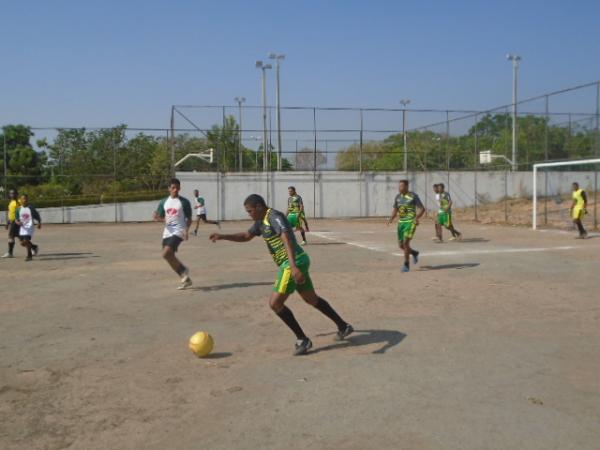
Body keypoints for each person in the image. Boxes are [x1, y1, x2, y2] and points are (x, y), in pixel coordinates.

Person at [209, 194, 353, 356]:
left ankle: (302, 340)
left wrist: (293, 266)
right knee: (311, 299)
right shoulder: (260, 221)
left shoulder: (274, 217)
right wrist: (223, 236)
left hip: (293, 262)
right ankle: (343, 326)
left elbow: (287, 239)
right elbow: (246, 236)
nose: (249, 214)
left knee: (275, 303)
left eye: (250, 211)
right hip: (297, 262)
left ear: (258, 207)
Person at [153, 178, 193, 289]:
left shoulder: (184, 202)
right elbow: (160, 217)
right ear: (169, 189)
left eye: (177, 187)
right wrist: (157, 218)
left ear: (180, 188)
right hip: (167, 232)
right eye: (173, 187)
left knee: (166, 253)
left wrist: (186, 230)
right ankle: (184, 277)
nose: (175, 190)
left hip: (179, 231)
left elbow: (189, 218)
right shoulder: (163, 202)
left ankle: (184, 270)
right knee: (168, 256)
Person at [387, 180, 425, 273]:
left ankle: (406, 265)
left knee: (405, 243)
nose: (400, 188)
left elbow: (422, 209)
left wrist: (417, 218)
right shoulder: (398, 197)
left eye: (402, 186)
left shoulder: (413, 196)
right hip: (401, 223)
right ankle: (414, 253)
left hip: (410, 222)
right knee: (401, 245)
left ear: (407, 186)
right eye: (399, 186)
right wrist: (391, 218)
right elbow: (395, 209)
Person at [14, 194, 41, 262]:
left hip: (30, 226)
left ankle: (29, 256)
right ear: (20, 200)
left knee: (26, 241)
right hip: (22, 228)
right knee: (22, 243)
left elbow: (37, 215)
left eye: (26, 199)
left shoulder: (31, 208)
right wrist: (18, 222)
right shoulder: (18, 209)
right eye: (23, 199)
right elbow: (16, 219)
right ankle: (34, 247)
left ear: (27, 200)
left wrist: (39, 223)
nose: (25, 200)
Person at [2, 189, 20, 258]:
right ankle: (33, 247)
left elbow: (20, 212)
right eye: (11, 193)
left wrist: (17, 220)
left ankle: (10, 253)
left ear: (17, 194)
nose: (12, 195)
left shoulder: (18, 202)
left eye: (14, 193)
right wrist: (7, 223)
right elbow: (11, 213)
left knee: (11, 237)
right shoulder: (11, 202)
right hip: (12, 222)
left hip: (16, 222)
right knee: (21, 238)